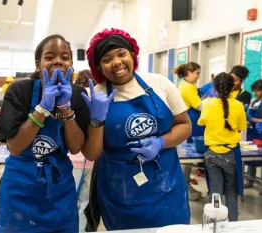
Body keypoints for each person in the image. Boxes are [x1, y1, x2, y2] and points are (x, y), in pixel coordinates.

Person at [82, 28, 192, 231]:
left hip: (166, 185)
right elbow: (91, 153)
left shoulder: (159, 84)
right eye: (107, 59)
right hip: (120, 190)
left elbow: (185, 125)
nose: (116, 62)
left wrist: (161, 142)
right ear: (98, 66)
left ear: (132, 55)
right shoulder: (96, 96)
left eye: (122, 54)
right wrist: (96, 119)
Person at [0, 34, 90, 232]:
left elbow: (75, 146)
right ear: (38, 65)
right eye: (49, 57)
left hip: (59, 188)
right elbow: (15, 147)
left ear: (71, 64)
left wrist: (65, 107)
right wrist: (43, 108)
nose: (58, 61)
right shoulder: (20, 91)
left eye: (65, 57)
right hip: (21, 187)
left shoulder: (78, 94)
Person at [198, 72, 246, 221]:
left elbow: (202, 122)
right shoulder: (238, 105)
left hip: (212, 153)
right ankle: (232, 225)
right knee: (231, 190)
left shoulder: (208, 104)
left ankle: (215, 224)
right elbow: (240, 127)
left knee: (215, 190)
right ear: (233, 88)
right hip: (231, 152)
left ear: (215, 88)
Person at [69, 69, 95, 232]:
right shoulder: (97, 98)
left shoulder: (72, 99)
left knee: (72, 199)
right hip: (91, 160)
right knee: (85, 200)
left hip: (74, 158)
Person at [175, 62, 204, 201]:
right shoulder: (187, 87)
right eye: (197, 73)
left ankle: (186, 185)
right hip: (192, 121)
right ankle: (185, 187)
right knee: (189, 156)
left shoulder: (185, 84)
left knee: (188, 156)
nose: (198, 76)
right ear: (189, 73)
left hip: (191, 120)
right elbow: (199, 106)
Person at [245, 80, 262, 189]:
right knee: (251, 158)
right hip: (252, 133)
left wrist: (252, 119)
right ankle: (250, 180)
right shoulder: (255, 101)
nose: (254, 93)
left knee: (261, 157)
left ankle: (261, 184)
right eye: (254, 91)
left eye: (257, 90)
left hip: (260, 132)